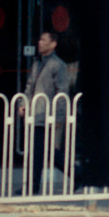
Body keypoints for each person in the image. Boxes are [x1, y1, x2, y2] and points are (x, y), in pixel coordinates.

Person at [25, 30, 77, 195]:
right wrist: (23, 103)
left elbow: (62, 93)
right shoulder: (37, 63)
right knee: (43, 152)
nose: (40, 42)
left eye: (44, 40)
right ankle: (77, 174)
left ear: (53, 44)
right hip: (36, 114)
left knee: (42, 152)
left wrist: (59, 117)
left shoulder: (58, 64)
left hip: (48, 116)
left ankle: (33, 187)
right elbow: (30, 85)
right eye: (39, 39)